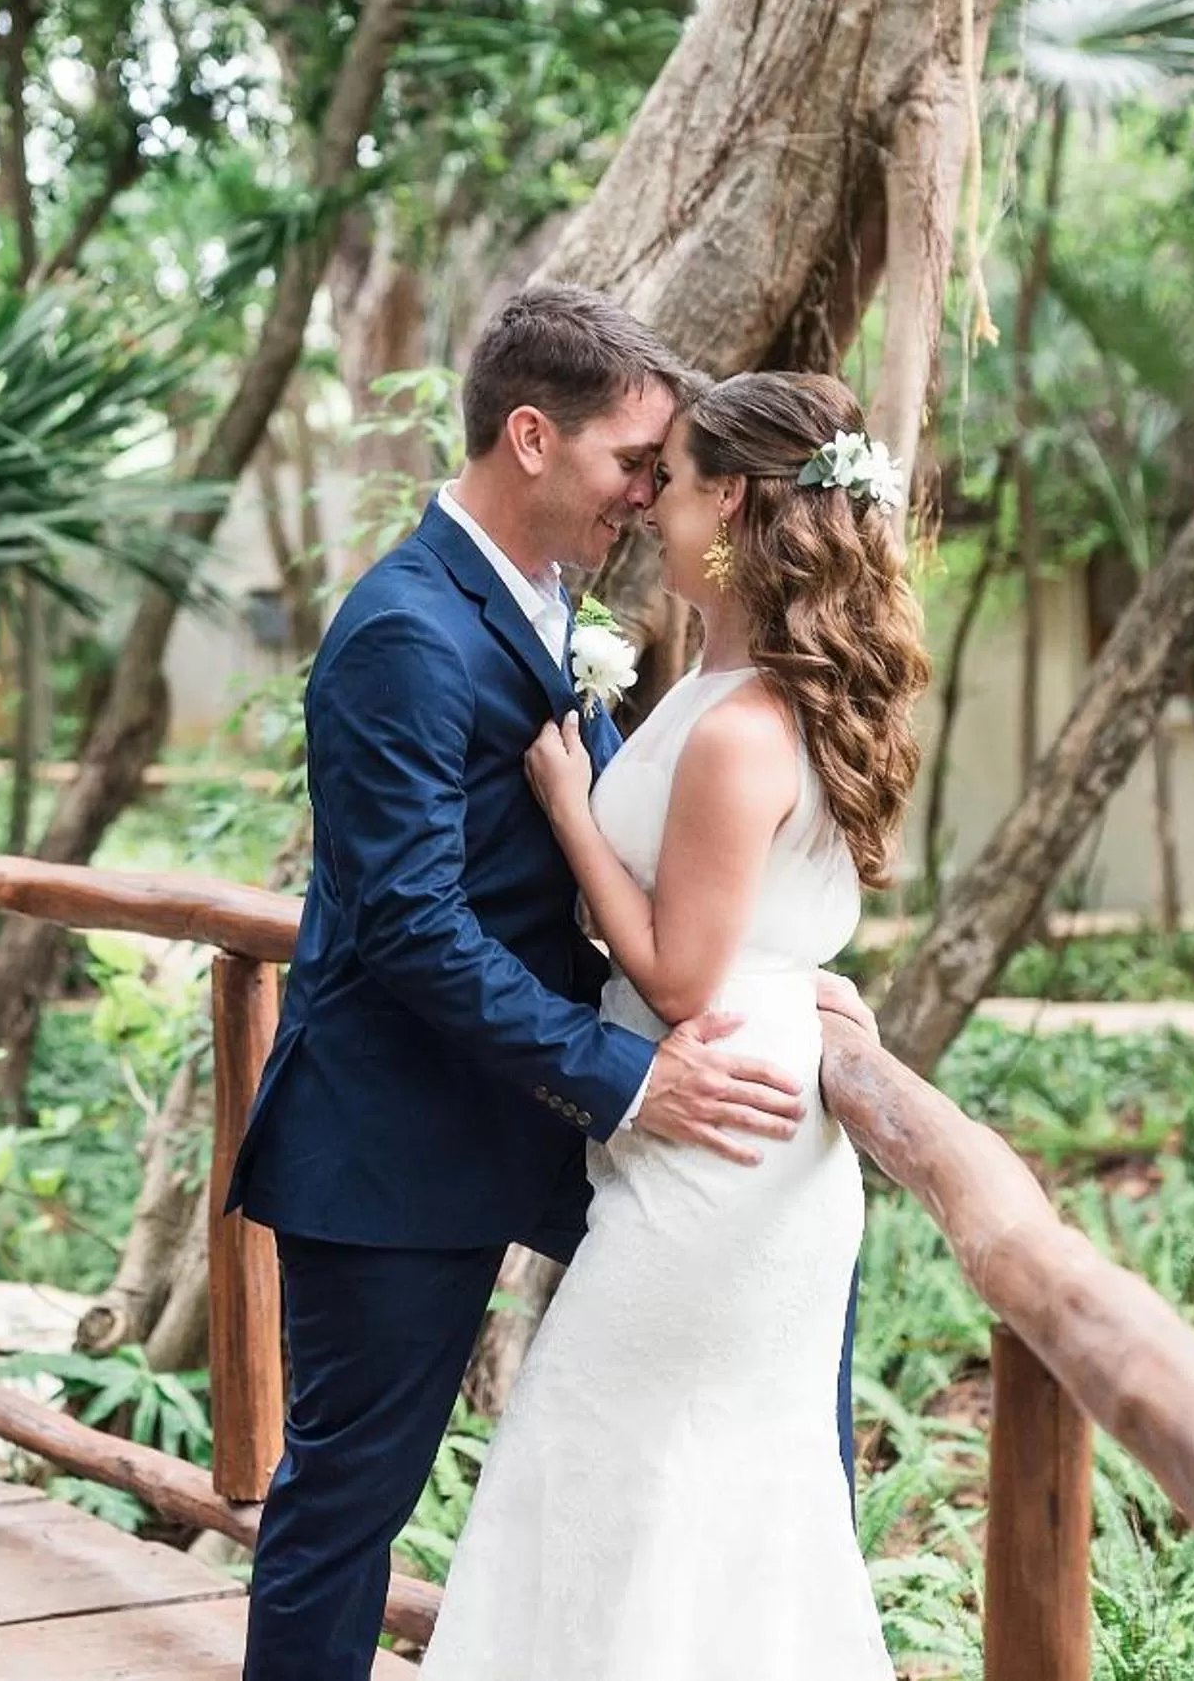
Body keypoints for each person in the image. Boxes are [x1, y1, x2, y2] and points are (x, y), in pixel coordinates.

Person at [225, 288, 876, 1681]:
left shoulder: (552, 602)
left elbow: (632, 867)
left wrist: (786, 982)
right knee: (347, 1504)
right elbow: (407, 922)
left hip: (546, 1122)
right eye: (629, 463)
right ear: (531, 435)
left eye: (666, 473)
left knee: (759, 1371)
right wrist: (633, 1071)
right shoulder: (403, 628)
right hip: (398, 1141)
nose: (648, 497)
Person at [417, 368, 929, 1678]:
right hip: (719, 1110)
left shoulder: (743, 726)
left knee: (610, 1451)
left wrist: (571, 802)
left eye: (680, 481)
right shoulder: (724, 680)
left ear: (740, 504)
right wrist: (793, 971)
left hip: (721, 1147)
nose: (651, 505)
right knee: (665, 1479)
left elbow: (685, 973)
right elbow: (745, 928)